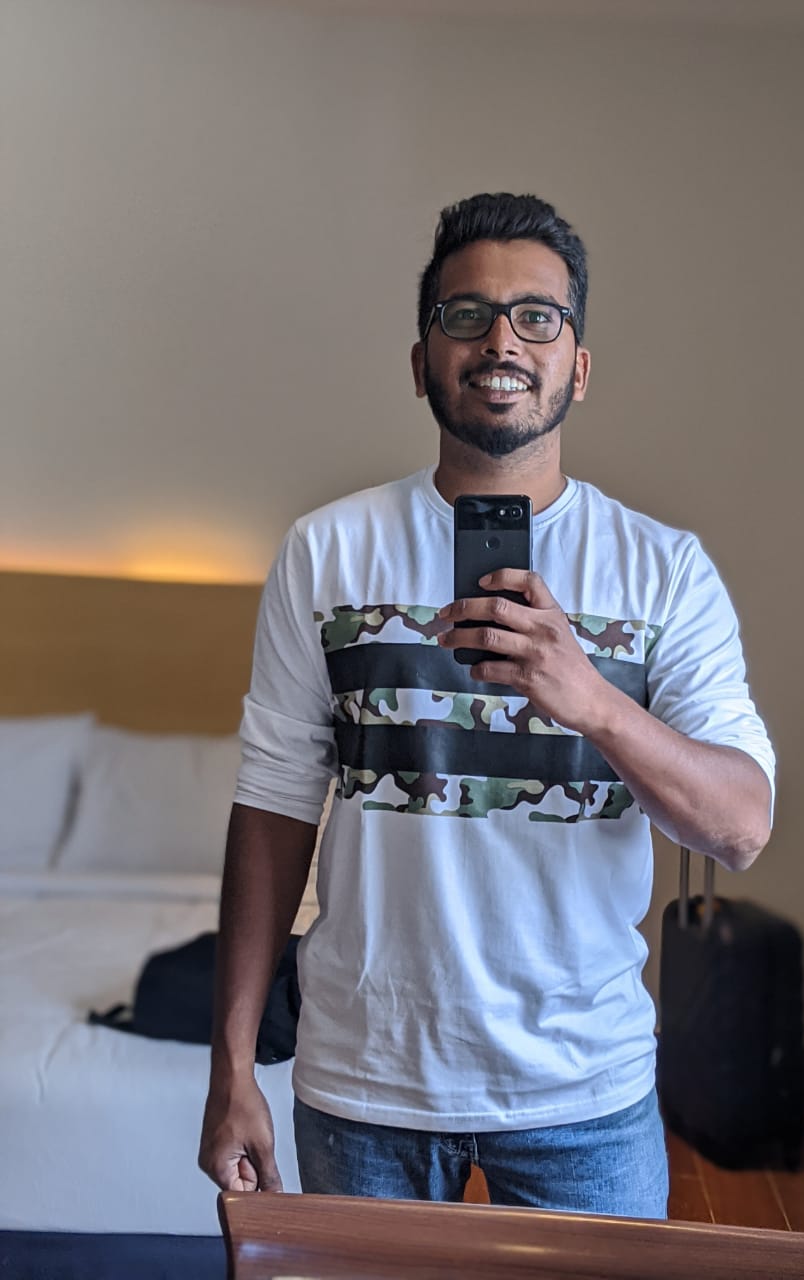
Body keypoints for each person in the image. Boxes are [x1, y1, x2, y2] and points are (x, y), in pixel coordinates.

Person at [198, 192, 774, 1217]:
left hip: (584, 1089)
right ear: (421, 360)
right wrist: (231, 1062)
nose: (501, 340)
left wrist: (592, 700)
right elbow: (275, 807)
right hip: (364, 1082)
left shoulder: (664, 571)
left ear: (577, 367)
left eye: (536, 317)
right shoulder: (326, 553)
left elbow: (740, 827)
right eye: (466, 315)